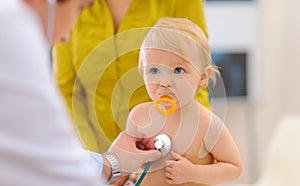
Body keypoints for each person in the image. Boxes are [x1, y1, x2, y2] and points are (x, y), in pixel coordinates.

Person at [0, 0, 161, 186]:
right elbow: (52, 173)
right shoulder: (12, 28)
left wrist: (111, 164)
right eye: (79, 8)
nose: (66, 36)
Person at [52, 0, 211, 154]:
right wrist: (97, 159)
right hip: (94, 154)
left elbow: (195, 71)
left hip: (166, 151)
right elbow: (66, 87)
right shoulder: (70, 4)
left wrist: (191, 145)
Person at [119, 17, 243, 186]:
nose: (164, 82)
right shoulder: (139, 115)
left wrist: (193, 173)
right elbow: (125, 160)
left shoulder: (206, 124)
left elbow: (234, 168)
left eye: (178, 70)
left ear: (202, 77)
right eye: (154, 70)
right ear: (142, 72)